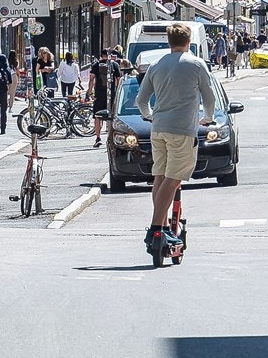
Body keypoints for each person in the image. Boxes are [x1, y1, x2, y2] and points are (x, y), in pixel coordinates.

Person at [133, 23, 217, 256]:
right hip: (182, 129)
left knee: (159, 177)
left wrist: (150, 116)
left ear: (169, 42)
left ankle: (159, 228)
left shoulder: (156, 65)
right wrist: (207, 118)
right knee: (173, 178)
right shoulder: (196, 64)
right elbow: (209, 97)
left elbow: (141, 100)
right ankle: (156, 228)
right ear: (188, 41)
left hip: (158, 129)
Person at [89, 48, 120, 149]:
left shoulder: (96, 65)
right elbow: (118, 79)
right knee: (111, 116)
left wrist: (90, 92)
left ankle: (98, 137)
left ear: (101, 55)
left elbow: (91, 79)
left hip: (99, 94)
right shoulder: (114, 65)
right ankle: (111, 136)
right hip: (111, 94)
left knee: (98, 116)